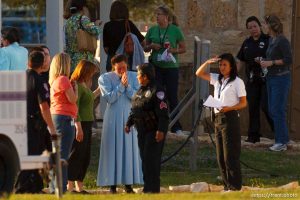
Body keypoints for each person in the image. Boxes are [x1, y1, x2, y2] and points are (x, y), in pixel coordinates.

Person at [195, 53, 247, 191]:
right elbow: (198, 73)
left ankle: (235, 187)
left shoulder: (237, 82)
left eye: (225, 65)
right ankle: (226, 186)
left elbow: (243, 103)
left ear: (232, 66)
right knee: (220, 156)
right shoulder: (217, 79)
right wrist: (207, 62)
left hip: (230, 118)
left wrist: (230, 107)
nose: (222, 67)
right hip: (218, 119)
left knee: (230, 155)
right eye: (220, 64)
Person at [97, 54, 143, 193]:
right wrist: (121, 86)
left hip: (129, 116)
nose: (122, 70)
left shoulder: (135, 76)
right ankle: (112, 184)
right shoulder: (104, 78)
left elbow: (136, 97)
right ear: (114, 67)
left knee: (129, 148)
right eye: (119, 68)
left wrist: (128, 86)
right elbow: (110, 98)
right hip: (113, 117)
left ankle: (128, 184)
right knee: (112, 148)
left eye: (124, 67)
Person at [15, 51, 57, 193]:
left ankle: (34, 186)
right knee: (35, 155)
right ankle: (23, 187)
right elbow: (44, 106)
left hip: (21, 122)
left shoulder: (20, 77)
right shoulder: (39, 80)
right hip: (34, 123)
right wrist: (52, 128)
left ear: (28, 63)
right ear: (43, 64)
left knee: (27, 154)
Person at [125, 63, 169, 193]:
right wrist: (129, 123)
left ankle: (153, 189)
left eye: (139, 75)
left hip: (153, 131)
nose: (137, 77)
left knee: (151, 161)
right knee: (145, 160)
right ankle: (147, 188)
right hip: (142, 131)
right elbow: (135, 109)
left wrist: (161, 130)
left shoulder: (157, 90)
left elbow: (163, 113)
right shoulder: (140, 90)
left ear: (145, 76)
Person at [144, 5, 186, 134]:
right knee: (158, 95)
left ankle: (176, 126)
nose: (156, 17)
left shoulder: (175, 30)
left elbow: (183, 48)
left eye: (159, 14)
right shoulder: (152, 30)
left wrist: (173, 50)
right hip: (156, 67)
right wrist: (151, 45)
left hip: (171, 68)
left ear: (166, 17)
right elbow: (144, 47)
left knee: (172, 96)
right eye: (156, 14)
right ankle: (157, 124)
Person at [236, 16, 274, 143]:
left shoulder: (268, 40)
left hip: (267, 80)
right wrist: (232, 75)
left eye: (255, 26)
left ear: (260, 26)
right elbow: (241, 60)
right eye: (250, 27)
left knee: (266, 106)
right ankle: (253, 136)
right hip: (252, 80)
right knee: (252, 107)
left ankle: (278, 132)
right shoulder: (247, 43)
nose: (253, 29)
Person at [260, 15, 292, 152]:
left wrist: (271, 62)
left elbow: (288, 59)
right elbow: (273, 58)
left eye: (265, 24)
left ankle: (281, 142)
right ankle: (283, 139)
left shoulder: (282, 40)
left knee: (277, 110)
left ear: (271, 25)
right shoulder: (272, 40)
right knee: (273, 109)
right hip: (271, 78)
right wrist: (263, 61)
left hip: (280, 79)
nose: (263, 27)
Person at [67, 60, 99, 193]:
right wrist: (78, 127)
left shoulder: (84, 85)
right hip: (80, 123)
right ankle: (70, 185)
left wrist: (99, 89)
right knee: (76, 154)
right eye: (91, 72)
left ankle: (79, 185)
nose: (92, 75)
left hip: (88, 123)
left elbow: (90, 98)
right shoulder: (76, 85)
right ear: (85, 71)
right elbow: (75, 107)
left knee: (85, 155)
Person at [49, 53, 78, 193]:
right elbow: (73, 99)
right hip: (64, 119)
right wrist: (75, 88)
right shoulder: (64, 80)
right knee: (63, 155)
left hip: (58, 117)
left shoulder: (55, 80)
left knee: (59, 153)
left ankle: (55, 185)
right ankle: (60, 186)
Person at [103, 0, 145, 72]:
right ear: (125, 11)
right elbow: (142, 41)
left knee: (112, 81)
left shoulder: (107, 25)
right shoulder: (128, 24)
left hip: (112, 59)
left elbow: (106, 48)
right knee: (128, 81)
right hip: (126, 60)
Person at [64, 0, 102, 72]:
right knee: (83, 80)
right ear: (83, 8)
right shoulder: (82, 18)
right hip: (84, 59)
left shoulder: (68, 22)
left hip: (72, 59)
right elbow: (95, 31)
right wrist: (96, 24)